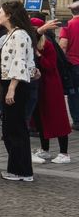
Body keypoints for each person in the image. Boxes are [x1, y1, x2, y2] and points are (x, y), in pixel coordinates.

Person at [0, 1, 38, 181]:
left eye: (1, 12)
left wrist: (11, 88)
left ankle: (20, 170)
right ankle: (20, 168)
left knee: (15, 129)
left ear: (9, 15)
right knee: (12, 127)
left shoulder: (19, 34)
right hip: (12, 83)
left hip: (15, 85)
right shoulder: (13, 34)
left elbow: (19, 62)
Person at [30, 17, 70, 164]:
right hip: (39, 85)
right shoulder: (34, 43)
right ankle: (44, 149)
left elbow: (50, 66)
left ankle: (64, 152)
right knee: (40, 117)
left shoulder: (48, 44)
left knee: (57, 117)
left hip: (51, 85)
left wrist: (39, 55)